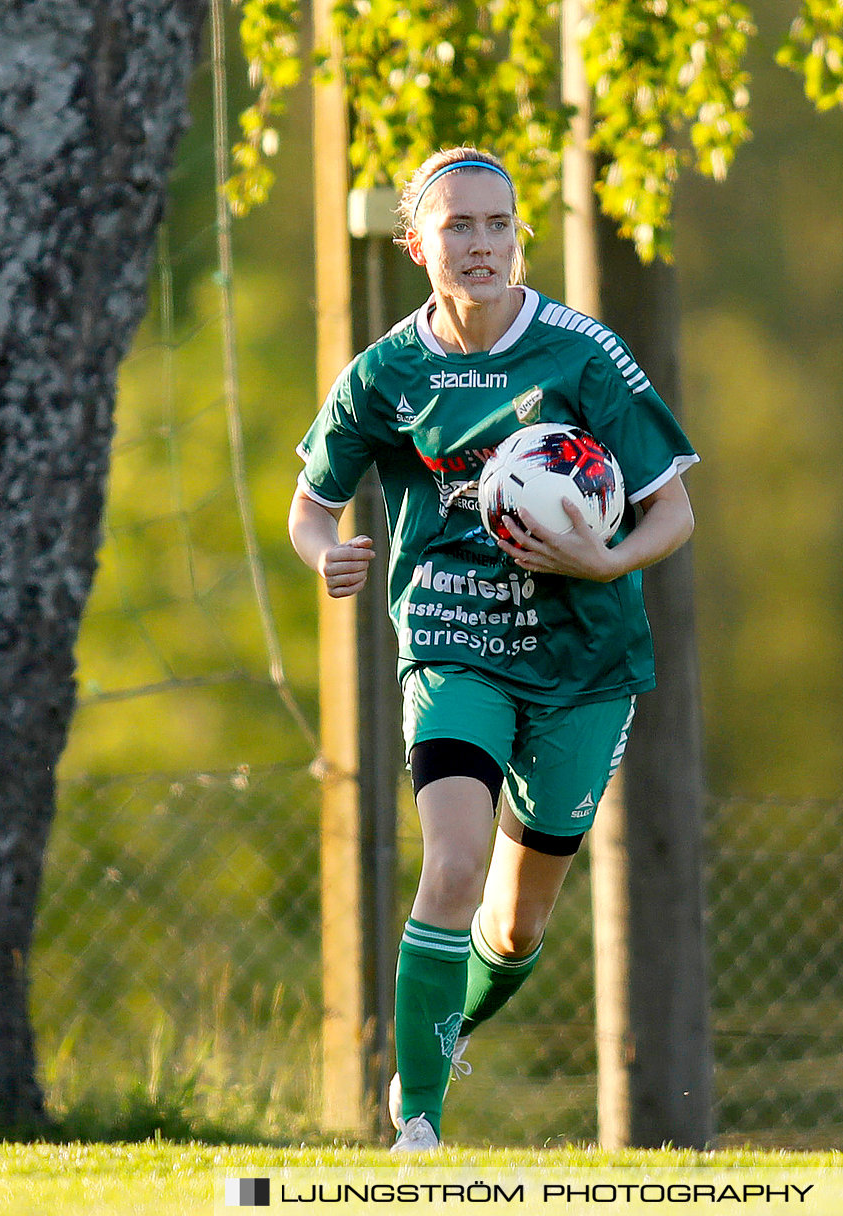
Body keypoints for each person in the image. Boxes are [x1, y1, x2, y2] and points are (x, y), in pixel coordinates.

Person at [288, 147, 698, 1152]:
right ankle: (419, 1120)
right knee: (454, 859)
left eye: (497, 224)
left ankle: (439, 1029)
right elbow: (311, 503)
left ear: (519, 235)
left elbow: (673, 511)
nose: (479, 244)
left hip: (584, 660)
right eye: (457, 225)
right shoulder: (386, 372)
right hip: (453, 642)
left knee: (514, 928)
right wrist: (327, 554)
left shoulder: (584, 355)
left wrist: (603, 563)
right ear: (416, 240)